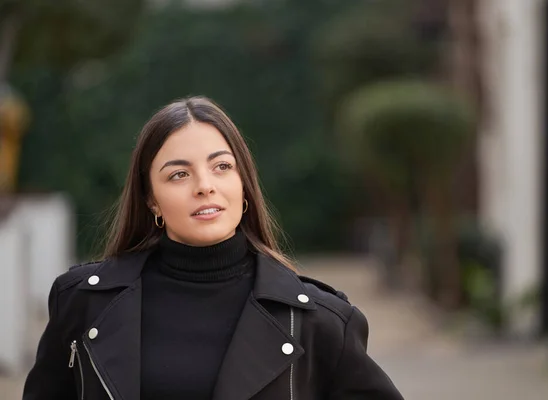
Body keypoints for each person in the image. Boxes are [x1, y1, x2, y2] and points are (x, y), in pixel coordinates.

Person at [22, 96, 404, 400]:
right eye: (179, 174)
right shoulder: (84, 303)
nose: (204, 185)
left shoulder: (320, 322)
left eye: (222, 167)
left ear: (244, 187)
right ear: (151, 200)